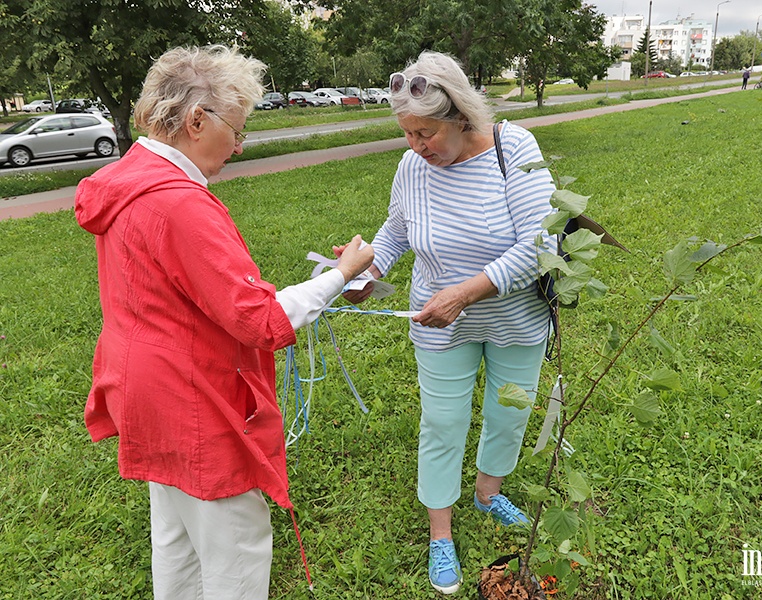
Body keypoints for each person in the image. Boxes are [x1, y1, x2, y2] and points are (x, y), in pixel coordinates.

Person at [74, 45, 374, 599]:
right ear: (195, 121)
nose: (239, 145)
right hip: (193, 401)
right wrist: (341, 275)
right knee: (234, 544)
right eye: (236, 130)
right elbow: (258, 321)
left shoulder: (128, 179)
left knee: (178, 540)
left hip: (144, 391)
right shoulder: (179, 203)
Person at [342, 51, 555, 595]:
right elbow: (396, 232)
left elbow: (541, 245)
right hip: (440, 325)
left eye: (426, 132)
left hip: (514, 318)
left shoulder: (515, 148)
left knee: (508, 413)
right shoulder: (412, 167)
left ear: (461, 115)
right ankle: (442, 533)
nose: (417, 146)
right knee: (442, 424)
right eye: (407, 134)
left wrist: (464, 293)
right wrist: (363, 271)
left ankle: (488, 492)